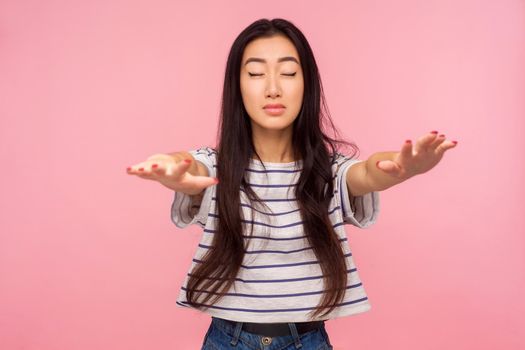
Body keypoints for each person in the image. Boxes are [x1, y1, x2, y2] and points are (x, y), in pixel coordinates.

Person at [126, 18, 457, 350]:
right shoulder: (216, 166)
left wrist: (403, 168)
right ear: (237, 85)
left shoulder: (330, 170)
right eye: (256, 74)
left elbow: (370, 172)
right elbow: (188, 165)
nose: (273, 87)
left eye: (287, 73)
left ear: (307, 83)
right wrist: (172, 168)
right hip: (227, 339)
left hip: (307, 340)